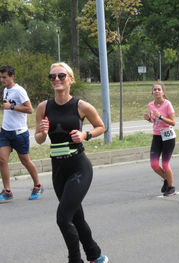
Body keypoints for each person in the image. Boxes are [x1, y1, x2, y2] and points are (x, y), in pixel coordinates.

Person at [35, 62, 108, 263]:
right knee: (76, 217)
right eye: (52, 77)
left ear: (71, 79)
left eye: (61, 76)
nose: (56, 79)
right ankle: (96, 255)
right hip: (58, 169)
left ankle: (75, 260)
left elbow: (102, 127)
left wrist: (85, 134)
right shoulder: (43, 107)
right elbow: (39, 139)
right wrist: (42, 131)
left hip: (79, 166)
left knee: (63, 218)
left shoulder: (81, 106)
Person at [0, 65, 43, 201]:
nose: (2, 80)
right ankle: (7, 191)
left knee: (25, 161)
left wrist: (11, 106)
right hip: (6, 131)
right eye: (1, 77)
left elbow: (30, 109)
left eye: (4, 77)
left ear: (12, 76)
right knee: (2, 160)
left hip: (19, 132)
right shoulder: (5, 89)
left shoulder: (19, 91)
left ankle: (37, 185)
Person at [144, 81, 176, 196]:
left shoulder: (167, 104)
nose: (157, 91)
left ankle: (171, 187)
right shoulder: (150, 105)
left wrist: (161, 117)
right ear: (152, 92)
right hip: (157, 136)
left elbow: (173, 122)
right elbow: (154, 121)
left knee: (165, 164)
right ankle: (167, 179)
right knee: (154, 164)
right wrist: (149, 119)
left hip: (168, 136)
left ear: (163, 92)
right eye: (155, 89)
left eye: (159, 89)